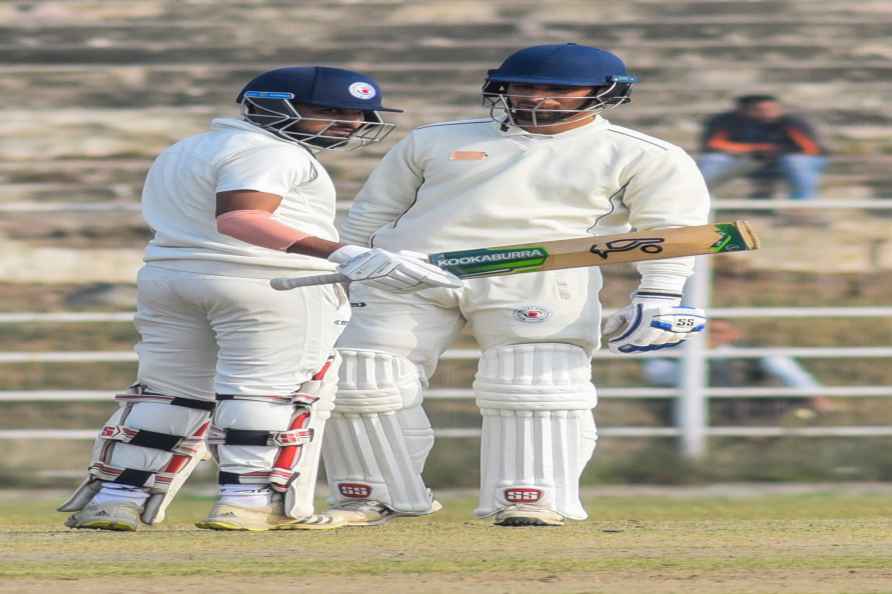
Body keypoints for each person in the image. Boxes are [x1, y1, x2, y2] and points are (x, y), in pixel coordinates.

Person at [313, 43, 710, 529]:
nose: (537, 98)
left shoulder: (641, 153)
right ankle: (372, 496)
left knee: (534, 385)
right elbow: (373, 213)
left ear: (605, 93)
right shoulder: (433, 140)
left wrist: (661, 293)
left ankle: (530, 498)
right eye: (523, 86)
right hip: (411, 271)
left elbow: (670, 229)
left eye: (558, 90)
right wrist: (349, 270)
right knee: (361, 378)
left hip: (539, 278)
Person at [58, 66, 460, 532]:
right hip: (267, 285)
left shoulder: (187, 146)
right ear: (272, 105)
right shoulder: (272, 152)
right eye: (329, 111)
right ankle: (246, 499)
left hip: (170, 280)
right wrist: (343, 253)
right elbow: (240, 220)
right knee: (266, 391)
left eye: (356, 114)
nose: (349, 124)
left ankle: (116, 496)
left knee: (170, 395)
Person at [642, 319, 832, 419]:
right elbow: (655, 373)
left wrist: (813, 394)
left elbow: (784, 367)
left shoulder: (747, 352)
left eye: (720, 332)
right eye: (709, 331)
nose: (713, 336)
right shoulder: (677, 351)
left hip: (740, 401)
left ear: (734, 335)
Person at [697, 95, 828, 201]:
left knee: (797, 162)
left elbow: (811, 149)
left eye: (771, 109)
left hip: (784, 161)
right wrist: (756, 148)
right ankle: (695, 197)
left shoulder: (791, 122)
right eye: (760, 109)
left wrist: (776, 151)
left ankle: (802, 208)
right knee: (714, 160)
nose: (767, 113)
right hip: (745, 160)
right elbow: (714, 145)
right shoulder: (726, 121)